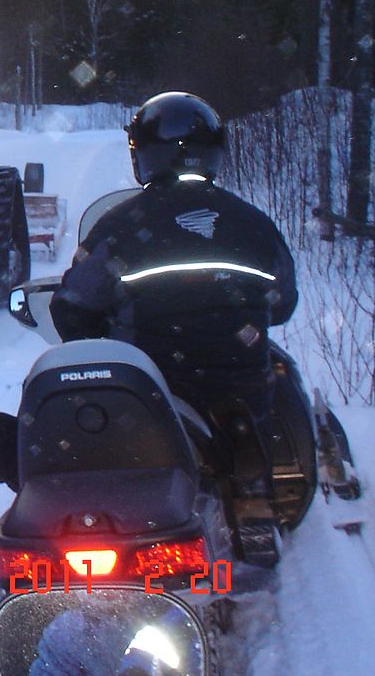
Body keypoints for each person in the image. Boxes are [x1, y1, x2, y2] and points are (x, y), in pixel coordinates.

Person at [49, 91, 297, 561]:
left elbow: (70, 309)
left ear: (143, 156)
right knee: (258, 407)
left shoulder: (119, 228)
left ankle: (109, 521)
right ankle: (248, 491)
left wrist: (101, 331)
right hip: (239, 394)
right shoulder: (255, 225)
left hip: (151, 396)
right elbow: (282, 305)